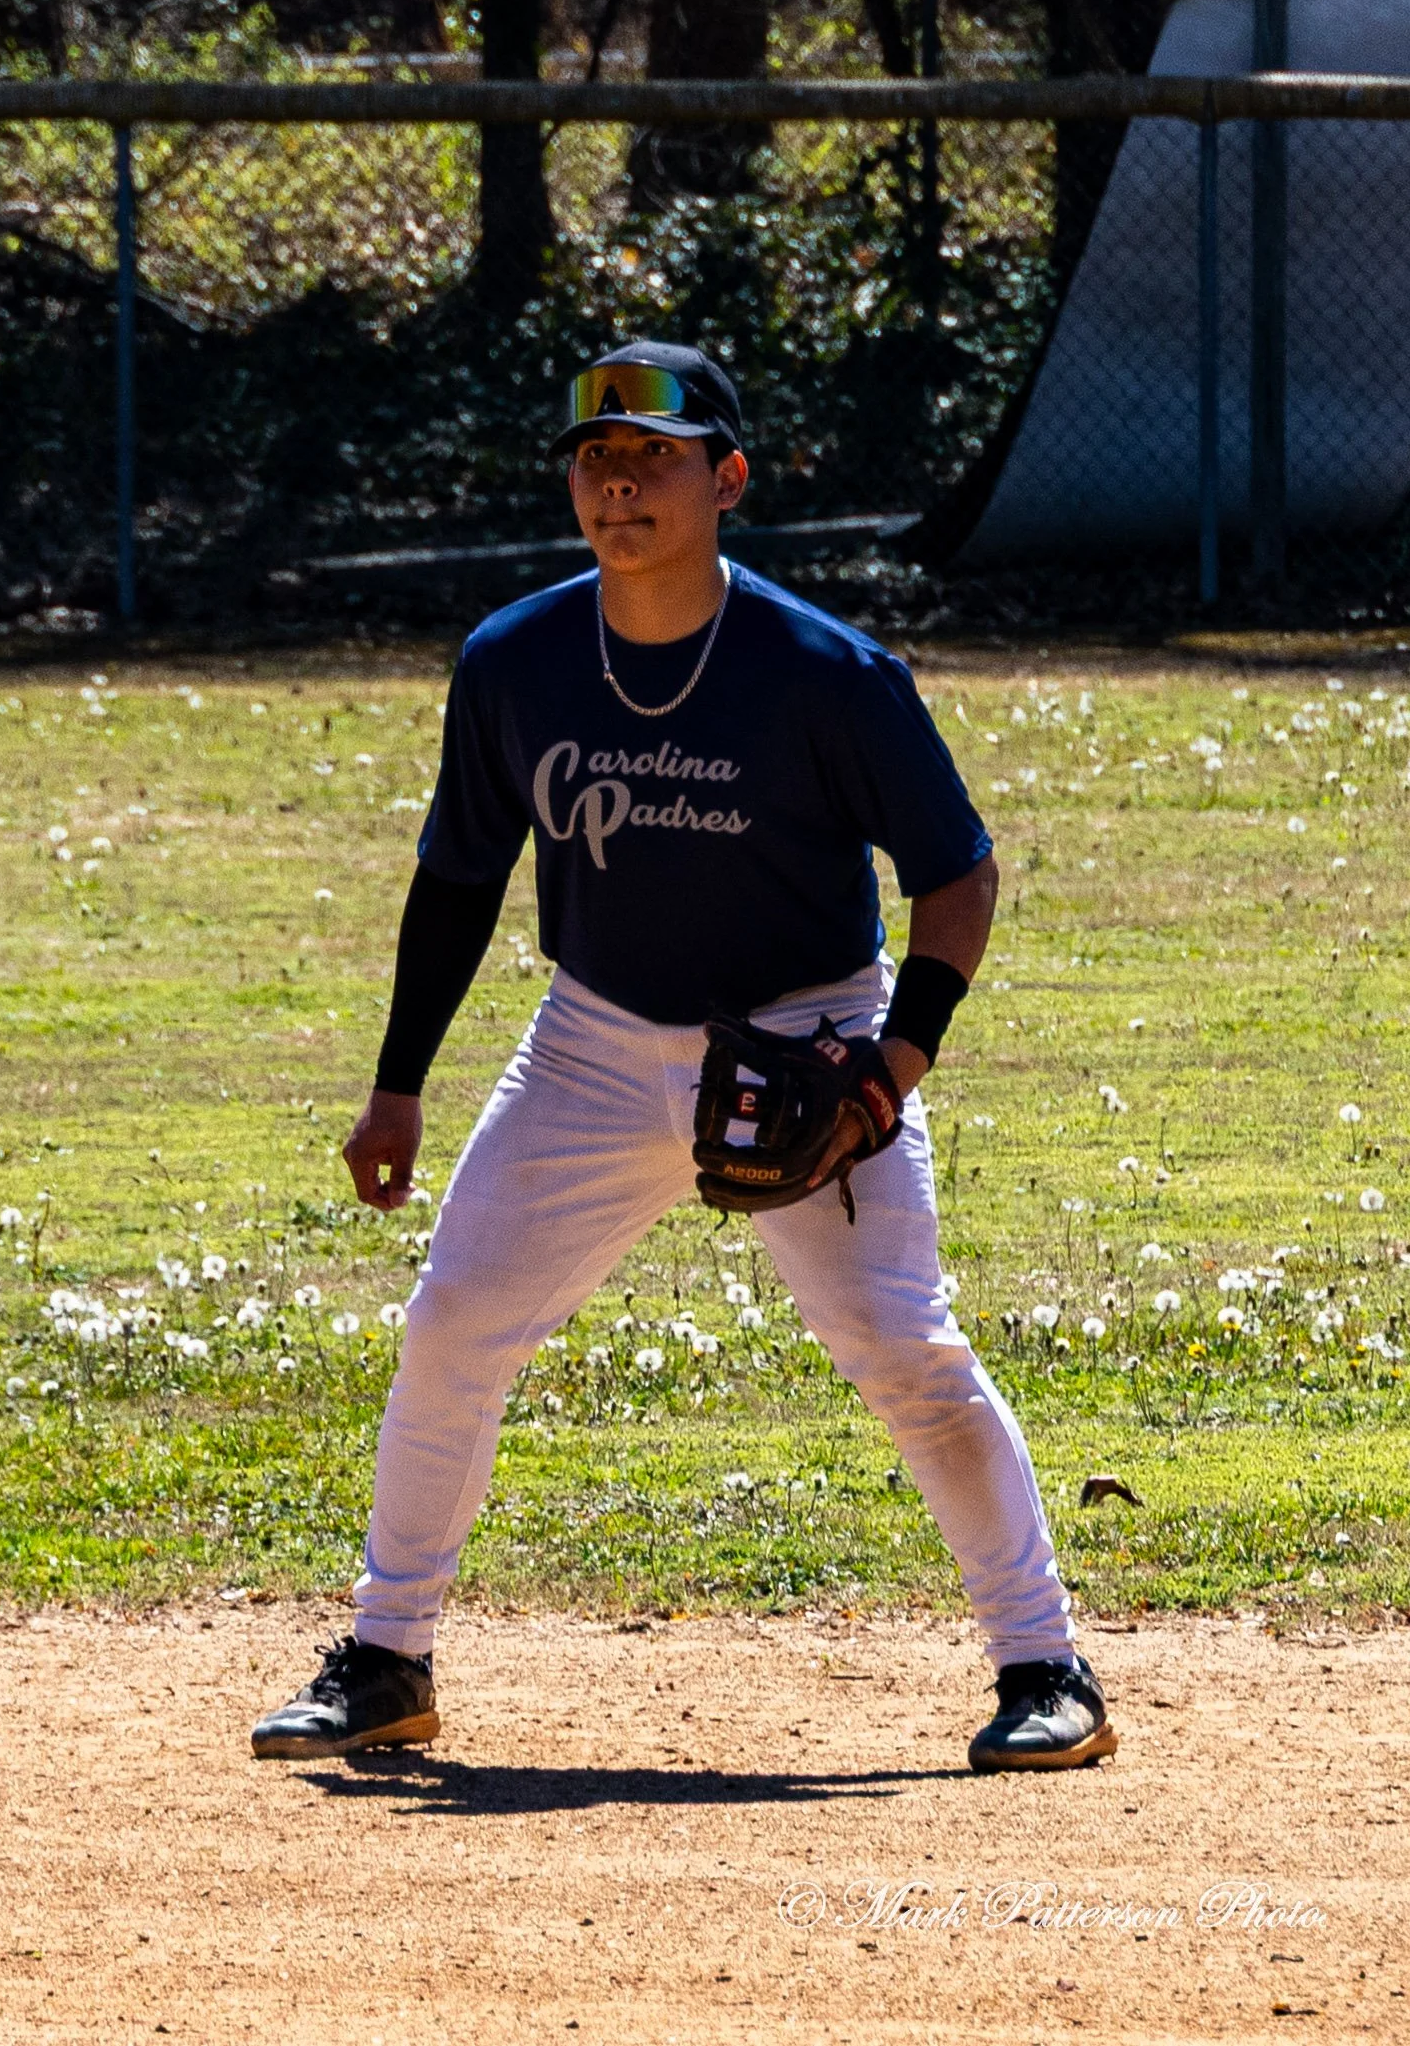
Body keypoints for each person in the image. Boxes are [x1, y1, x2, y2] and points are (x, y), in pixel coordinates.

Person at [251, 340, 1117, 1773]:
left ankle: (1046, 1664)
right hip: (589, 1045)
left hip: (806, 1042)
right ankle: (387, 1659)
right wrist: (397, 1086)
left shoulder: (827, 673)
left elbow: (957, 876)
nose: (620, 484)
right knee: (457, 1320)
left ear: (728, 480)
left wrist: (889, 1073)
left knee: (903, 1349)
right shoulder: (516, 659)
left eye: (655, 456)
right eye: (597, 458)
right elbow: (458, 879)